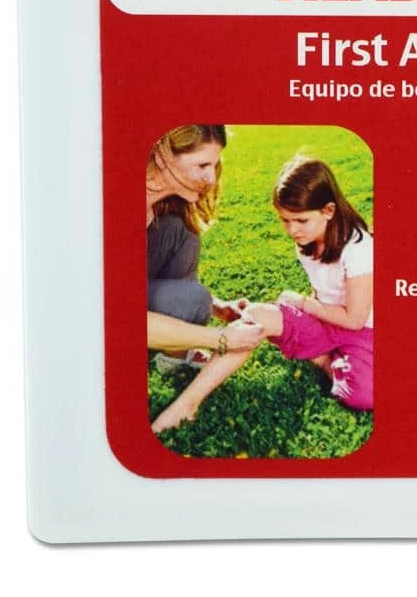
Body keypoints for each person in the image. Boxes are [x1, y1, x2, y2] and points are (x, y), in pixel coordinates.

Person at [151, 156, 374, 433]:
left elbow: (354, 319)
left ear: (328, 210)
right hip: (326, 323)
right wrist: (303, 313)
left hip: (362, 331)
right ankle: (186, 405)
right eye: (285, 220)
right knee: (255, 316)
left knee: (364, 395)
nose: (292, 230)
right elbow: (323, 291)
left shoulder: (358, 249)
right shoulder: (307, 241)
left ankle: (324, 358)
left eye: (301, 220)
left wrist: (302, 302)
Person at [146, 124, 262, 363]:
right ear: (161, 156)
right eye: (202, 165)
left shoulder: (158, 206)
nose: (211, 178)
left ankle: (175, 354)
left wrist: (218, 307)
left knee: (181, 229)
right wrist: (221, 338)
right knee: (195, 300)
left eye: (214, 165)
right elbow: (120, 318)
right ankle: (169, 339)